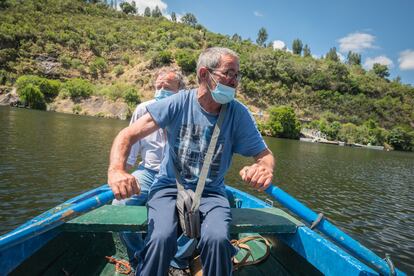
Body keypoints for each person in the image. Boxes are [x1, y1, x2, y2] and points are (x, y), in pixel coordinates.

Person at [107, 47, 274, 276]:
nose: (235, 81)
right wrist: (116, 170)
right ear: (205, 74)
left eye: (237, 75)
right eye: (229, 73)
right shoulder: (178, 103)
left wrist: (263, 168)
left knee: (217, 240)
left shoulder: (238, 114)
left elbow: (264, 155)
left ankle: (187, 263)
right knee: (161, 238)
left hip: (212, 192)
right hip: (168, 186)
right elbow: (127, 135)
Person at [111, 67, 194, 272]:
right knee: (119, 205)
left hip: (181, 176)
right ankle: (140, 256)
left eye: (167, 87)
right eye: (158, 86)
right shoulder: (143, 109)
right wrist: (120, 173)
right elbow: (130, 148)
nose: (161, 90)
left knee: (199, 210)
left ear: (180, 90)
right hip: (148, 172)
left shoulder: (191, 111)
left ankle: (178, 260)